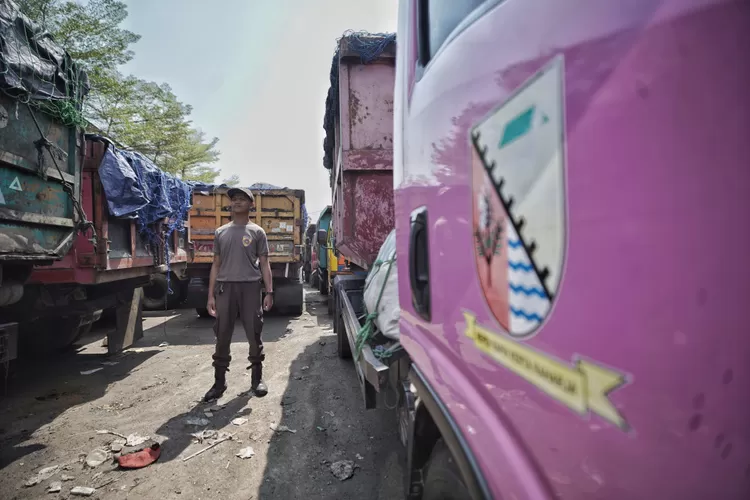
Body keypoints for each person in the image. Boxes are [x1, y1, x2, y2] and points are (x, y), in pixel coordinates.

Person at [203, 187, 274, 402]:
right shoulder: (221, 232)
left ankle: (257, 379)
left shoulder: (257, 232)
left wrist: (269, 292)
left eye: (242, 199)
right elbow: (216, 264)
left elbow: (264, 263)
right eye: (234, 199)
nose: (237, 202)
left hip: (251, 287)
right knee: (222, 334)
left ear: (251, 204)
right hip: (225, 288)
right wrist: (210, 296)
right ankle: (219, 382)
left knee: (254, 332)